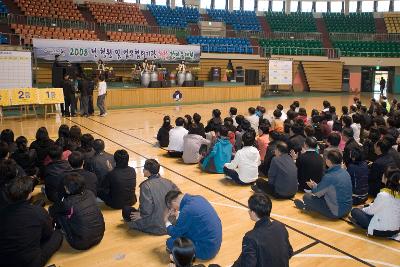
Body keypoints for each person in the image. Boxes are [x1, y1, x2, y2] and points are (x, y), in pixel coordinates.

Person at [0, 176, 63, 267]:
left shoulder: (2, 212)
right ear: (29, 194)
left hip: (4, 260)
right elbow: (48, 233)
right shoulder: (37, 212)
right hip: (30, 262)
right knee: (58, 234)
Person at [232, 194, 293, 267]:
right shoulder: (280, 226)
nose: (248, 211)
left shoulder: (250, 238)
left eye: (250, 209)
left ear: (253, 213)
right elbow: (289, 252)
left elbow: (248, 265)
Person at [49, 173, 105, 250]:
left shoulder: (67, 203)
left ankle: (57, 229)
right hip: (99, 236)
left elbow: (52, 210)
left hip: (80, 243)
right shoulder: (90, 193)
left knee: (59, 214)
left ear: (67, 189)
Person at [123, 159, 179, 235]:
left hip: (157, 225)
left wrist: (142, 215)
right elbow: (179, 197)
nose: (143, 170)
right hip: (171, 221)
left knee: (126, 210)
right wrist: (174, 210)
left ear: (147, 171)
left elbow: (147, 208)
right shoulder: (168, 181)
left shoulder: (145, 186)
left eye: (144, 169)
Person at [164, 190, 222, 260]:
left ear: (173, 202)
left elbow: (175, 233)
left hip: (206, 251)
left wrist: (166, 221)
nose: (172, 209)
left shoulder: (186, 210)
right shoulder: (199, 198)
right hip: (214, 244)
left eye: (171, 207)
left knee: (170, 242)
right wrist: (178, 215)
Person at [294, 150, 353, 219]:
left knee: (307, 196)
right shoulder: (345, 172)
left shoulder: (329, 176)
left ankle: (307, 206)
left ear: (328, 161)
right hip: (348, 209)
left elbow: (317, 193)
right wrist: (317, 186)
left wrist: (313, 186)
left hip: (336, 212)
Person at [350, 167, 400, 237]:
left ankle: (365, 225)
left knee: (354, 211)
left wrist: (362, 209)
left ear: (386, 178)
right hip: (396, 229)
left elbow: (371, 211)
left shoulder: (383, 195)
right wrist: (365, 206)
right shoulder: (396, 193)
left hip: (381, 230)